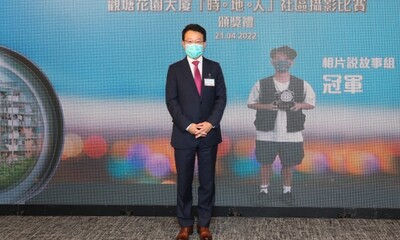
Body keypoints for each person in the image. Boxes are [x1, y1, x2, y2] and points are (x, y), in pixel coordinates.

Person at [166, 24, 227, 240]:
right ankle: (185, 225)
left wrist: (210, 123)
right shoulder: (175, 69)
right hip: (184, 134)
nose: (194, 45)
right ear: (183, 44)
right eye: (189, 42)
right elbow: (172, 102)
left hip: (209, 134)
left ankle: (203, 225)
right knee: (183, 181)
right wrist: (189, 126)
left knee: (207, 181)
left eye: (198, 41)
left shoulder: (214, 68)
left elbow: (221, 99)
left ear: (205, 43)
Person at [247, 45, 315, 205]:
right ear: (272, 61)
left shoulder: (302, 84)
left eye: (285, 59)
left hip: (291, 134)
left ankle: (287, 191)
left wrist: (299, 105)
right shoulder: (261, 83)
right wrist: (268, 106)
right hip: (266, 132)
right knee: (265, 163)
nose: (281, 62)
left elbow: (311, 103)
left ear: (291, 62)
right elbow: (250, 103)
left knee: (288, 164)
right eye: (278, 59)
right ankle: (264, 190)